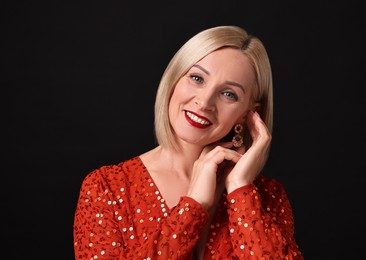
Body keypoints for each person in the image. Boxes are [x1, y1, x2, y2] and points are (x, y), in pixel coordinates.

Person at [73, 25, 303, 259]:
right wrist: (194, 205)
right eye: (196, 78)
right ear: (174, 79)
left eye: (229, 94)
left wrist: (240, 188)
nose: (204, 102)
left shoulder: (267, 196)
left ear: (248, 114)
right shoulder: (106, 188)